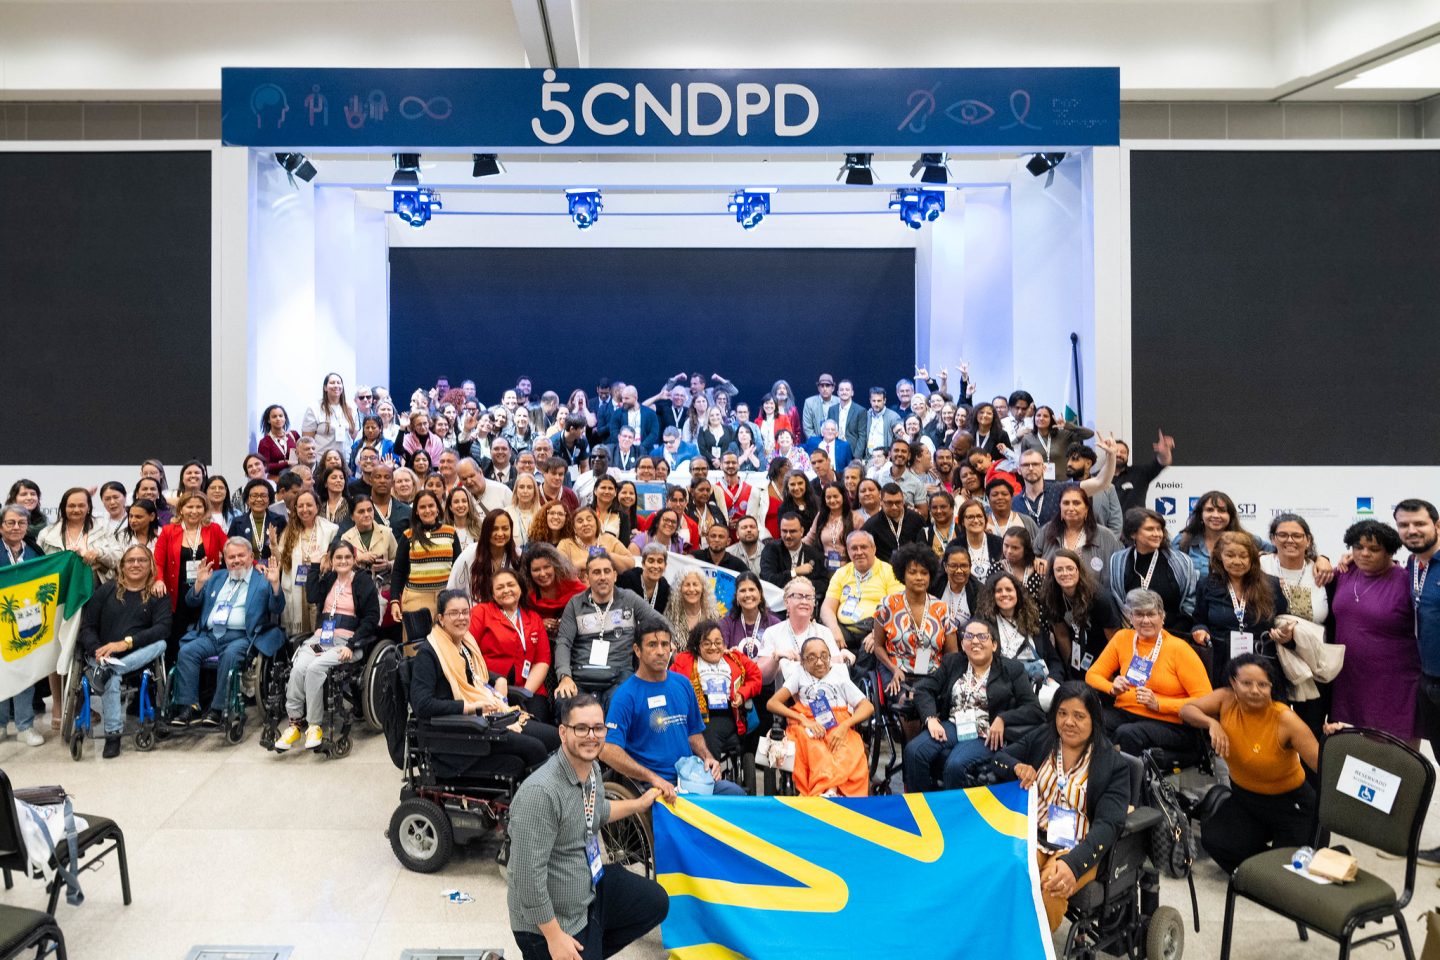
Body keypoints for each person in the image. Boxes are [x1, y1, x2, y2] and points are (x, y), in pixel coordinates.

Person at [507, 692, 667, 960]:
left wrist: (639, 804)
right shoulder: (541, 793)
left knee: (656, 902)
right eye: (581, 728)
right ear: (563, 732)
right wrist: (554, 937)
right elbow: (527, 880)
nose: (591, 736)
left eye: (598, 728)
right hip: (552, 923)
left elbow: (596, 813)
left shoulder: (590, 769)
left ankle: (590, 947)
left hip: (589, 889)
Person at [991, 682, 1131, 932]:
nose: (1068, 722)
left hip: (1079, 846)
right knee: (1006, 872)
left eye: (1079, 716)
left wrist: (1074, 864)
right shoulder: (1044, 738)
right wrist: (1016, 767)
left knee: (1050, 889)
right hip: (1035, 835)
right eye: (1062, 713)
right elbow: (998, 759)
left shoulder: (1113, 765)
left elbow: (1109, 825)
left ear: (1094, 720)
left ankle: (1035, 949)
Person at [1180, 654, 1325, 874]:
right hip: (1246, 800)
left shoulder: (1285, 719)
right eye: (1247, 683)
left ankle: (1276, 862)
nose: (1255, 690)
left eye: (1262, 685)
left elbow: (1323, 766)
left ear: (1271, 687)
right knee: (1215, 841)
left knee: (1290, 873)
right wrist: (1212, 723)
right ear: (1233, 683)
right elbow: (1187, 710)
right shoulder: (1225, 699)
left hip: (1292, 805)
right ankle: (1260, 868)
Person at [412, 590, 559, 774]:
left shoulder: (465, 643)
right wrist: (469, 707)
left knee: (556, 737)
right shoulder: (429, 653)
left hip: (486, 719)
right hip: (458, 733)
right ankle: (535, 800)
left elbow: (473, 674)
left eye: (465, 612)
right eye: (453, 613)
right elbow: (423, 705)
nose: (461, 618)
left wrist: (499, 679)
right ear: (441, 618)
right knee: (535, 748)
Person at [601, 624, 747, 796]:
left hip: (690, 779)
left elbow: (693, 732)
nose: (661, 651)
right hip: (652, 788)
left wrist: (707, 756)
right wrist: (652, 778)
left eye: (665, 644)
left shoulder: (683, 684)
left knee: (736, 795)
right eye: (652, 645)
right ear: (637, 650)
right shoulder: (625, 696)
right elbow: (607, 751)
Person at [905, 617, 1043, 791]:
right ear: (963, 644)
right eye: (969, 636)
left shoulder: (1011, 669)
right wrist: (930, 718)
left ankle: (954, 816)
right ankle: (921, 809)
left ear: (994, 645)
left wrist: (1003, 719)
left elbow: (1034, 709)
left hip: (986, 733)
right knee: (914, 751)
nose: (975, 641)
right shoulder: (953, 663)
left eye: (982, 637)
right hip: (955, 725)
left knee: (955, 764)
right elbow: (923, 688)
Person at [275, 540, 380, 751]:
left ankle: (314, 725)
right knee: (299, 667)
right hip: (320, 639)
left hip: (346, 643)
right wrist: (314, 565)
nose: (343, 561)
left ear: (354, 559)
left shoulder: (362, 581)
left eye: (347, 557)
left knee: (315, 668)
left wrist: (353, 643)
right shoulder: (330, 578)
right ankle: (295, 722)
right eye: (338, 557)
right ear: (331, 560)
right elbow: (313, 596)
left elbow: (371, 617)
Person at [171, 537, 285, 727]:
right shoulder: (215, 577)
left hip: (241, 637)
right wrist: (199, 585)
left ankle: (218, 709)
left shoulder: (262, 579)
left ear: (251, 556)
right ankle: (188, 707)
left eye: (241, 555)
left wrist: (275, 585)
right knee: (187, 651)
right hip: (209, 635)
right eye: (231, 556)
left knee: (231, 655)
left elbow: (277, 607)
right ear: (224, 558)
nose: (236, 560)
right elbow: (191, 602)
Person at [1085, 588, 1212, 755]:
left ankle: (1123, 779)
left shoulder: (1179, 649)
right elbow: (1092, 675)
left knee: (1128, 734)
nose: (1145, 620)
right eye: (1139, 614)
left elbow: (1206, 701)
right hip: (1126, 711)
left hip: (1170, 722)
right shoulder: (1123, 638)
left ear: (1162, 617)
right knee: (1088, 721)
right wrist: (1111, 686)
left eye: (1151, 614)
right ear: (1130, 617)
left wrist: (1159, 704)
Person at [1329, 519, 1418, 743]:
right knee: (1355, 746)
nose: (1364, 553)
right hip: (1350, 677)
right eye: (1358, 547)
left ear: (1389, 551)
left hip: (1393, 682)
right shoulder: (1344, 573)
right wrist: (1321, 560)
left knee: (1395, 750)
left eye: (1374, 549)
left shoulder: (1405, 581)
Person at [77, 544, 171, 757]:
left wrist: (126, 643)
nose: (136, 564)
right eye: (131, 560)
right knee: (111, 675)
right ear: (122, 565)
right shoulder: (107, 590)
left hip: (136, 656)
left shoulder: (157, 593)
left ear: (150, 565)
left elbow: (163, 628)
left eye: (142, 560)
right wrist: (97, 650)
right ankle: (113, 736)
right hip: (103, 656)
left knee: (161, 644)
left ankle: (111, 670)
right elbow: (88, 627)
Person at [552, 553, 667, 706]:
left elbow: (662, 624)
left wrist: (667, 641)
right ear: (587, 577)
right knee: (564, 700)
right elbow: (563, 643)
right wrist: (565, 676)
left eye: (607, 571)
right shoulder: (575, 604)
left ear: (615, 575)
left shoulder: (629, 599)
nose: (602, 577)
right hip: (581, 677)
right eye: (596, 572)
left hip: (619, 677)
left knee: (622, 702)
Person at [765, 635, 874, 796]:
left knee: (849, 749)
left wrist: (845, 726)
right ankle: (825, 789)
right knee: (815, 748)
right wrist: (803, 719)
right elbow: (772, 703)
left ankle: (837, 791)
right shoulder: (799, 675)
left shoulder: (840, 677)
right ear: (802, 661)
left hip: (839, 724)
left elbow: (867, 706)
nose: (820, 662)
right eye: (812, 658)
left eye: (824, 656)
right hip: (808, 725)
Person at [1191, 531, 1291, 689]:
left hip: (1262, 662)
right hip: (1220, 663)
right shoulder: (1207, 584)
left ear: (1252, 558)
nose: (1237, 561)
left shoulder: (1271, 585)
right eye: (1230, 555)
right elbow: (1199, 619)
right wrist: (1200, 630)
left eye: (1243, 556)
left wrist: (1284, 633)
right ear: (1219, 557)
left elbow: (1284, 619)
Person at [671, 620, 762, 774]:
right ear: (697, 646)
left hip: (725, 713)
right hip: (695, 713)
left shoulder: (734, 658)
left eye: (718, 642)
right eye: (707, 643)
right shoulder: (685, 660)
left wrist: (742, 693)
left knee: (709, 731)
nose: (713, 647)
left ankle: (708, 777)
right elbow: (671, 683)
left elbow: (756, 677)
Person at [470, 568, 553, 723]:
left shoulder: (533, 618)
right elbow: (467, 651)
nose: (506, 590)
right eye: (500, 588)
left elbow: (542, 660)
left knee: (538, 721)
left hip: (529, 689)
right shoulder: (481, 612)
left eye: (511, 585)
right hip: (490, 688)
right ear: (493, 594)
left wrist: (525, 692)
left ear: (520, 588)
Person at [155, 492, 229, 662]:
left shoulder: (214, 529)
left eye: (198, 507)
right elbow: (158, 562)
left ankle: (205, 682)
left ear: (205, 510)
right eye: (189, 506)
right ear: (181, 509)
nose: (194, 511)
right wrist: (159, 579)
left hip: (206, 592)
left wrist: (255, 565)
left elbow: (233, 551)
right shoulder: (168, 531)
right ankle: (174, 680)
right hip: (177, 593)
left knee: (205, 636)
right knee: (176, 638)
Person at [1107, 507, 1198, 637]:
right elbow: (1117, 600)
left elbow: (1190, 602)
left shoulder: (1181, 562)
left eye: (1159, 529)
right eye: (1150, 529)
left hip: (1173, 636)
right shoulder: (1117, 560)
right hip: (1133, 635)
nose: (1157, 534)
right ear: (1133, 534)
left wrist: (1171, 634)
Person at [1043, 549, 1123, 681]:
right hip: (1077, 650)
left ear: (1078, 570)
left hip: (1103, 651)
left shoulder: (1099, 598)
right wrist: (1070, 666)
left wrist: (1110, 671)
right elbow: (1061, 634)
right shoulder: (1051, 596)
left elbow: (1114, 639)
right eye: (1059, 569)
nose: (1065, 573)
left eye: (1070, 568)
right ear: (1052, 573)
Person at [387, 491, 461, 624]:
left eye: (431, 506)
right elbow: (398, 571)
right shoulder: (408, 535)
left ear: (438, 508)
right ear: (416, 511)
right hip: (416, 599)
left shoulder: (450, 533)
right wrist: (394, 602)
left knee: (444, 643)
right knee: (415, 644)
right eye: (422, 507)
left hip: (445, 598)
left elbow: (459, 567)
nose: (427, 510)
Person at [275, 490, 340, 638]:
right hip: (296, 587)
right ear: (295, 509)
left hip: (320, 585)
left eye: (309, 505)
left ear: (317, 507)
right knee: (300, 630)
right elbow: (282, 561)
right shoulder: (288, 532)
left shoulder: (331, 530)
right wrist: (273, 545)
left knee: (318, 625)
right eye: (300, 506)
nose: (305, 509)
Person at [977, 570, 1053, 683]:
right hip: (1002, 685)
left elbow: (1053, 660)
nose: (1004, 594)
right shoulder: (983, 625)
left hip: (1039, 683)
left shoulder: (1032, 621)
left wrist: (1054, 679)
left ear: (1017, 593)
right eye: (999, 591)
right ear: (992, 595)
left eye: (1009, 590)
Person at [1037, 483, 1121, 576]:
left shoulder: (1106, 537)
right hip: (1053, 589)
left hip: (1095, 590)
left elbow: (1118, 572)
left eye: (1076, 503)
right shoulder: (1047, 530)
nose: (1071, 508)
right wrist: (1036, 561)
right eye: (1066, 503)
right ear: (1060, 507)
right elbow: (1031, 557)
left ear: (1086, 509)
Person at [523, 544, 587, 636]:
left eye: (546, 567)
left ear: (555, 566)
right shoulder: (527, 595)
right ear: (529, 573)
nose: (542, 574)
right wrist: (539, 623)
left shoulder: (573, 585)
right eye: (536, 570)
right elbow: (523, 621)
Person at [761, 512, 829, 596]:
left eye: (792, 531)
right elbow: (768, 580)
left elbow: (824, 583)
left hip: (806, 603)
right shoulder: (771, 549)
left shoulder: (814, 554)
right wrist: (795, 572)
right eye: (784, 531)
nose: (788, 536)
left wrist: (803, 584)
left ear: (802, 531)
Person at [340, 494, 397, 590]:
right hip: (355, 590)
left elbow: (399, 561)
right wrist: (358, 559)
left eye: (370, 510)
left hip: (383, 590)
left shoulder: (386, 533)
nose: (366, 514)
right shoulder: (346, 538)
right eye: (361, 512)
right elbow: (340, 566)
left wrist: (388, 565)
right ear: (352, 516)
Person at [1112, 431, 1175, 515]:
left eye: (1123, 452)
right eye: (1115, 451)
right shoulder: (1097, 478)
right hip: (1107, 526)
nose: (1119, 454)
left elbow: (1162, 462)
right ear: (1107, 453)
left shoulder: (1140, 473)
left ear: (1127, 456)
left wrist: (1165, 452)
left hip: (1136, 526)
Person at [559, 507, 634, 577]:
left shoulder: (609, 539)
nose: (585, 524)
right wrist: (582, 564)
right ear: (574, 528)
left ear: (596, 523)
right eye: (580, 521)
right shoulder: (566, 544)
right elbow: (559, 569)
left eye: (589, 519)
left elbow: (631, 563)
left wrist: (609, 555)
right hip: (578, 589)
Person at [302, 372, 358, 461]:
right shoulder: (314, 408)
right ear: (325, 387)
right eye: (332, 383)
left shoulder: (351, 407)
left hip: (345, 460)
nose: (336, 386)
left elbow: (354, 436)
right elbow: (308, 440)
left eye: (339, 383)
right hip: (322, 461)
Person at [664, 570, 722, 639]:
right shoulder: (670, 616)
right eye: (687, 585)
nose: (691, 589)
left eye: (695, 584)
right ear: (679, 589)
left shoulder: (714, 616)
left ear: (703, 588)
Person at [957, 498, 1004, 582]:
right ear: (963, 521)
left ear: (985, 519)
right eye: (970, 517)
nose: (976, 520)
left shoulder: (999, 543)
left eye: (979, 516)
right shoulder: (955, 546)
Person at [617, 542, 670, 613]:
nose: (655, 566)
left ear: (665, 566)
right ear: (643, 564)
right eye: (651, 561)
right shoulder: (627, 579)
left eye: (660, 561)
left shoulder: (664, 587)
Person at [258, 404, 300, 479]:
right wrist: (286, 463)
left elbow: (302, 454)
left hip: (295, 477)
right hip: (276, 479)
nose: (278, 419)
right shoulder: (264, 442)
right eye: (274, 417)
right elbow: (265, 466)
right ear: (268, 420)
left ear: (285, 418)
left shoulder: (294, 435)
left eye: (281, 416)